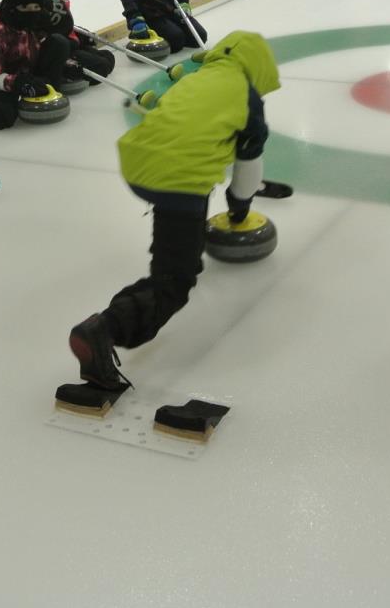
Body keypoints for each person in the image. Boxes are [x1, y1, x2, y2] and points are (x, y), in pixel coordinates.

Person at [68, 32, 279, 387]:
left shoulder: (200, 77)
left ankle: (111, 320)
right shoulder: (248, 97)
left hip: (138, 159)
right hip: (177, 176)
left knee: (172, 244)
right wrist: (239, 210)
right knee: (176, 279)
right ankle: (107, 328)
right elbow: (247, 169)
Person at [0, 0, 76, 129]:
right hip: (1, 78)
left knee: (59, 42)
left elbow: (44, 45)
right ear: (13, 7)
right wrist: (18, 83)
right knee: (2, 116)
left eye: (35, 7)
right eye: (24, 8)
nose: (31, 12)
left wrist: (67, 63)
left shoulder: (37, 18)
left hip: (27, 68)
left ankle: (49, 87)